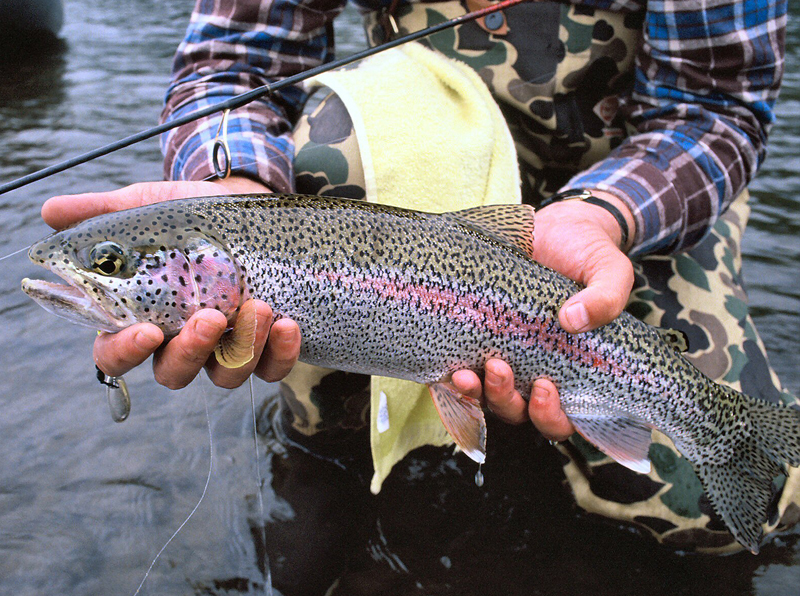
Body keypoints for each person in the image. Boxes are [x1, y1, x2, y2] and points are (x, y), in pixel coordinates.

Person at [42, 0, 797, 554]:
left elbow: (715, 106)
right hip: (406, 167)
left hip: (631, 185)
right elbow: (232, 60)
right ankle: (336, 432)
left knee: (720, 513)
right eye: (112, 268)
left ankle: (713, 429)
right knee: (327, 155)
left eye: (110, 267)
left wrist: (603, 216)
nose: (104, 276)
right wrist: (234, 178)